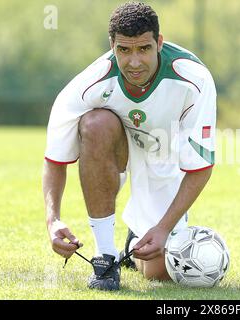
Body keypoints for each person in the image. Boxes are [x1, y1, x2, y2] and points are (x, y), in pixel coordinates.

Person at [42, 2, 216, 291]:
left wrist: (162, 229)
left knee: (159, 270)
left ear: (159, 43)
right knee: (96, 124)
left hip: (164, 153)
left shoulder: (195, 79)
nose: (134, 62)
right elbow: (55, 158)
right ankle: (106, 258)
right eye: (124, 50)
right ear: (112, 46)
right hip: (117, 145)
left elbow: (200, 167)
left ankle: (135, 240)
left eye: (143, 49)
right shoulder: (88, 84)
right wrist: (53, 220)